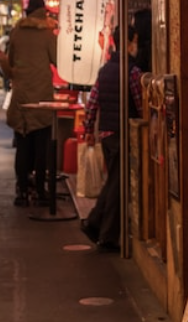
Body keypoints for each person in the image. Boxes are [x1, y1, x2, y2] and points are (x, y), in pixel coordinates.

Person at [80, 24, 145, 250]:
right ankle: (104, 234)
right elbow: (140, 105)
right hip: (122, 134)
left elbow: (92, 102)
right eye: (134, 41)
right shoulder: (133, 72)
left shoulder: (105, 70)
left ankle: (96, 225)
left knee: (113, 183)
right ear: (129, 43)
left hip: (106, 135)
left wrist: (89, 130)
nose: (136, 45)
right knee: (118, 186)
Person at [5, 0, 58, 206]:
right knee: (41, 145)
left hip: (21, 97)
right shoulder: (47, 34)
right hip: (42, 98)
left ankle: (22, 190)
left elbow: (10, 62)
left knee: (23, 145)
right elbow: (56, 59)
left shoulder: (17, 32)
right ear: (43, 12)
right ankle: (40, 190)